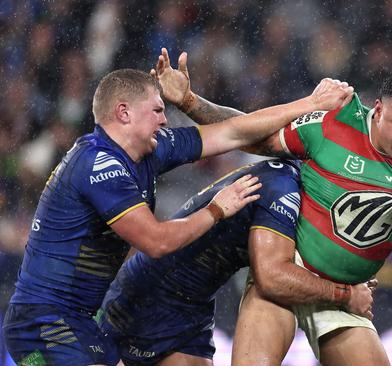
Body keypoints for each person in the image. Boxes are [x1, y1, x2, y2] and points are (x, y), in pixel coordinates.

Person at [2, 54, 353, 366]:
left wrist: (308, 105)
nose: (165, 120)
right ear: (123, 113)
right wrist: (217, 210)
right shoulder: (98, 165)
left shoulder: (147, 150)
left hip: (77, 321)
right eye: (157, 110)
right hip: (42, 324)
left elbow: (232, 133)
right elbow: (156, 241)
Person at [162, 55, 392, 365]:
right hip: (286, 276)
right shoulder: (331, 125)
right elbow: (247, 132)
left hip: (346, 301)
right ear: (377, 110)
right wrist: (190, 101)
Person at [96, 158, 377, 366]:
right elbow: (271, 277)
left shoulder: (295, 182)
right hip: (148, 298)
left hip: (193, 308)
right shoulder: (283, 189)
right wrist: (346, 294)